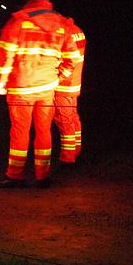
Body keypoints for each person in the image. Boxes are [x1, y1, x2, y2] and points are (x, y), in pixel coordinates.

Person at [0, 0, 79, 188]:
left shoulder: (18, 20)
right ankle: (43, 176)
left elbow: (6, 52)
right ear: (47, 1)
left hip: (20, 87)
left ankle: (15, 175)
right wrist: (59, 78)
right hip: (47, 87)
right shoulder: (62, 23)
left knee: (20, 132)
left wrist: (2, 79)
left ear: (28, 1)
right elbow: (73, 57)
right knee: (44, 131)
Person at [53, 18, 86, 165]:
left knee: (64, 120)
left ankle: (67, 157)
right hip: (74, 83)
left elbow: (65, 59)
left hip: (63, 84)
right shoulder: (77, 30)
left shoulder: (63, 32)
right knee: (73, 118)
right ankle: (76, 150)